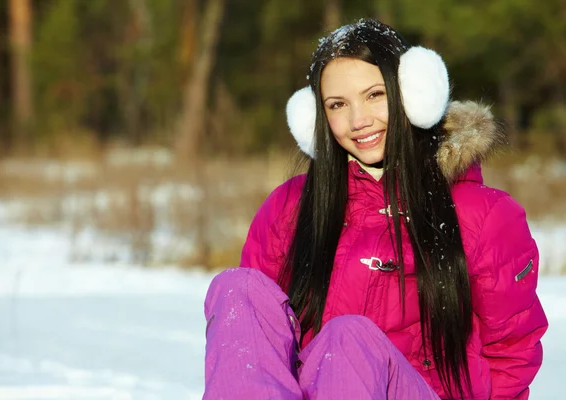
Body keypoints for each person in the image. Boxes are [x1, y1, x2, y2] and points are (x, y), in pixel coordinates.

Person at [203, 18, 548, 400]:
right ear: (317, 118)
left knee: (349, 337)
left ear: (411, 94)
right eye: (337, 104)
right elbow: (259, 343)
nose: (358, 120)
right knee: (238, 289)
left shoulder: (484, 215)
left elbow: (512, 352)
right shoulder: (289, 207)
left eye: (374, 95)